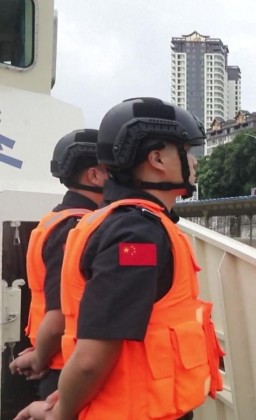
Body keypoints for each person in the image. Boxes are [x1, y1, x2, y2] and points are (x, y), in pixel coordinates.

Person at [16, 98, 224, 420]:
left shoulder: (121, 223)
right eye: (185, 151)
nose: (194, 162)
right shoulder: (136, 236)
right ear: (157, 159)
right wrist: (59, 413)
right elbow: (91, 358)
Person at [9, 130, 107, 401]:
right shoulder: (77, 229)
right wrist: (40, 357)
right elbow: (60, 315)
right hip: (67, 367)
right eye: (113, 171)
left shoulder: (54, 220)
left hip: (58, 359)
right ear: (94, 176)